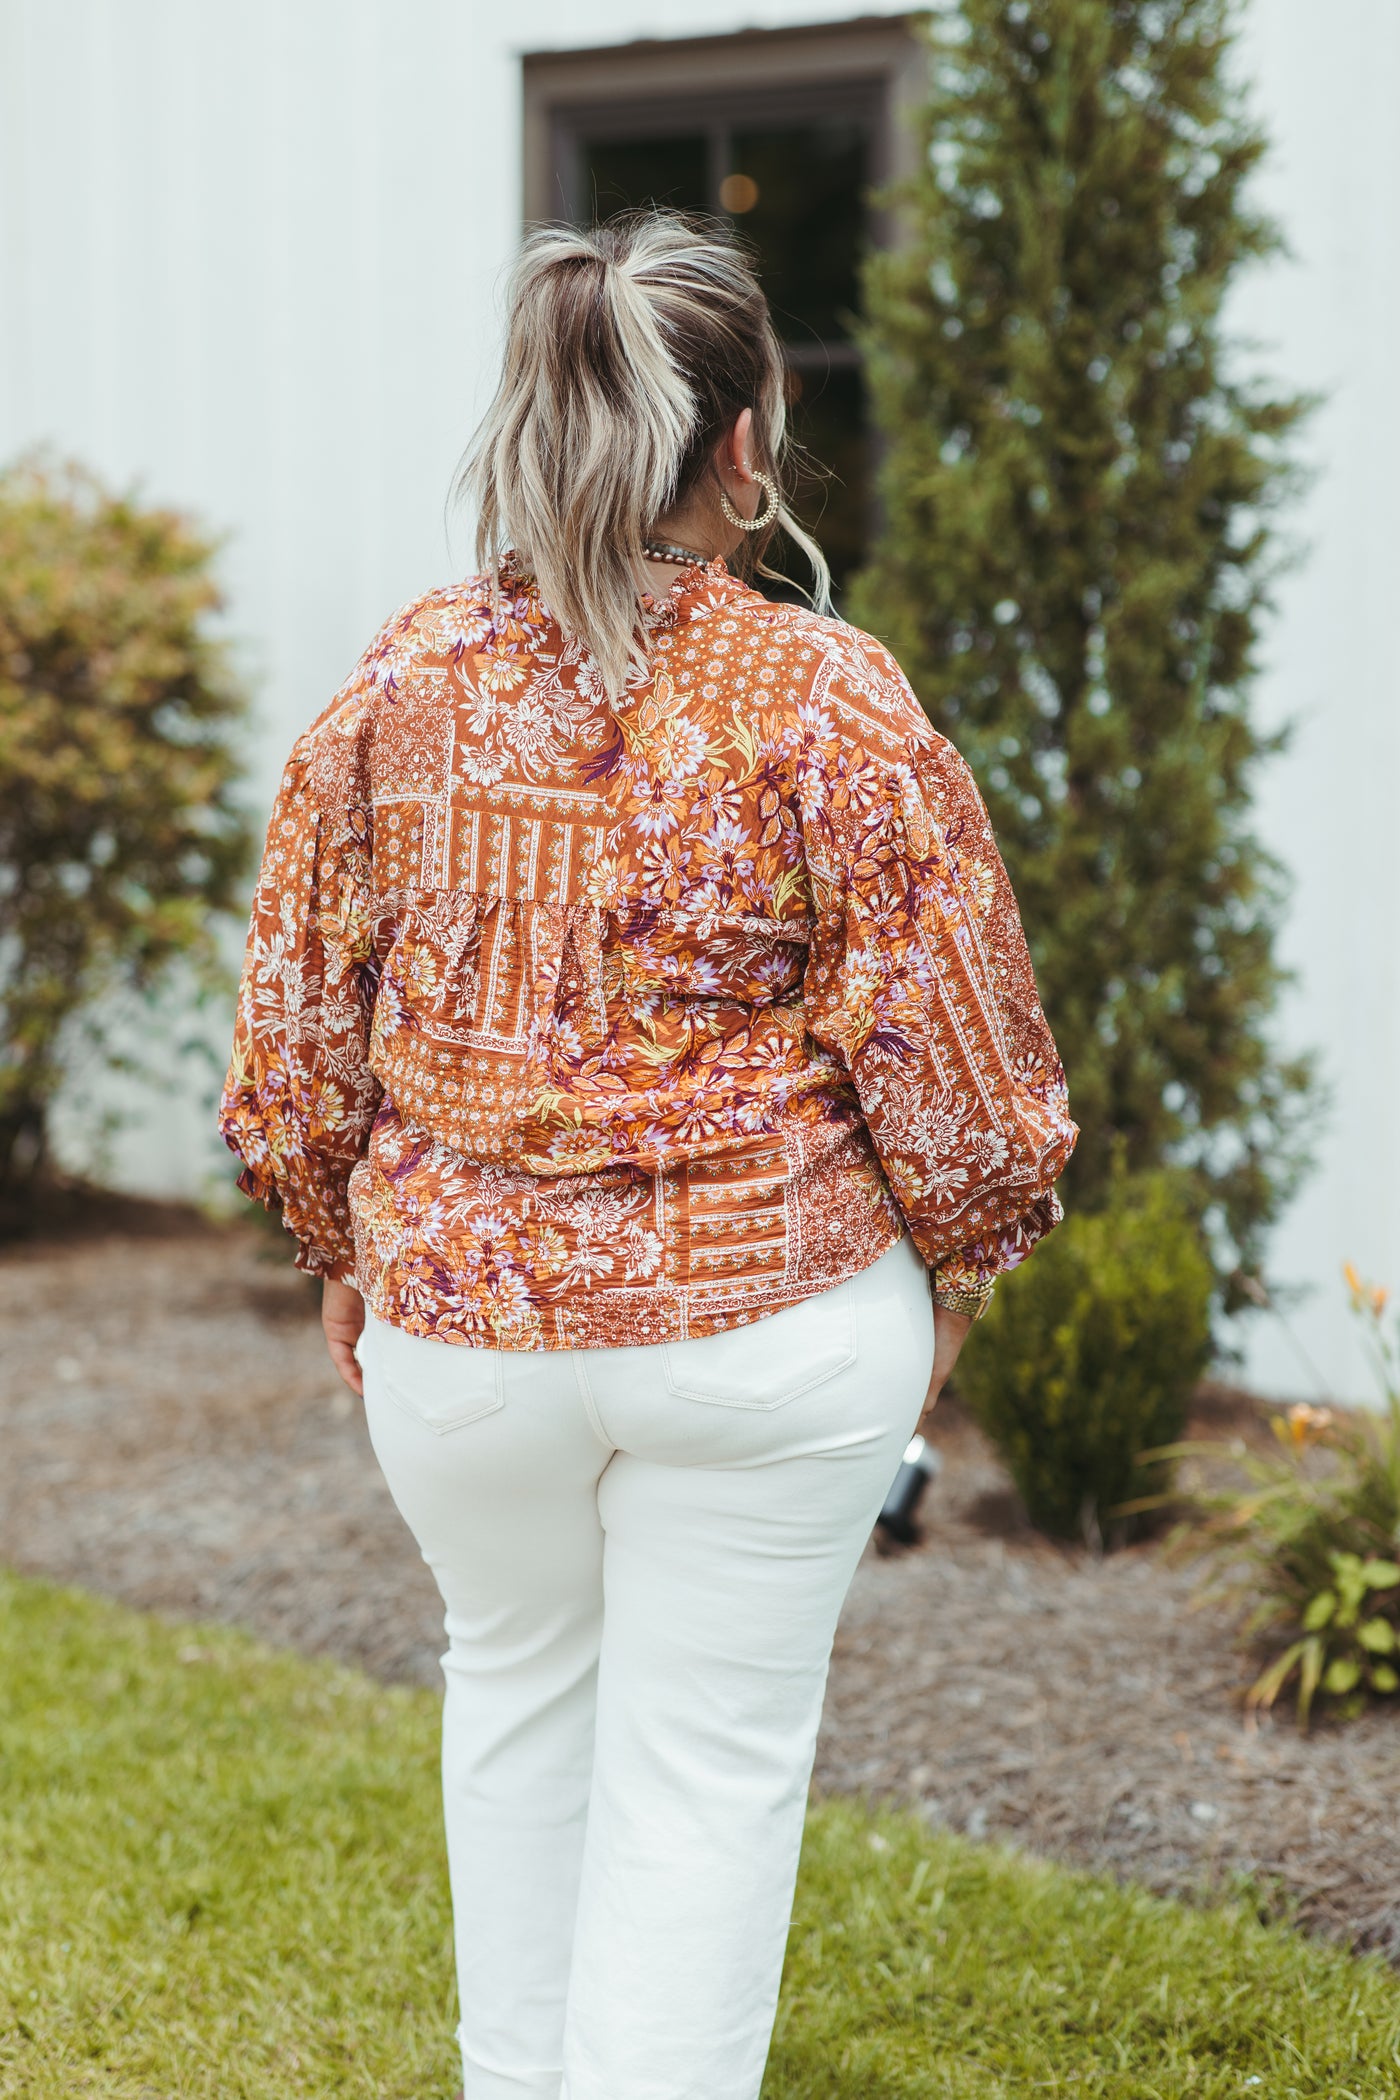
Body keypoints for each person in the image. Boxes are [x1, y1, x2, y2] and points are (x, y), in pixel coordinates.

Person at [220, 210, 1076, 2100]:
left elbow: (296, 1031)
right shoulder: (829, 696)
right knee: (701, 1780)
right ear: (747, 442)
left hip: (461, 1349)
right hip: (765, 1335)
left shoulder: (396, 683)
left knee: (515, 1718)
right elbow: (969, 1069)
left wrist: (341, 1245)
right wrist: (964, 1274)